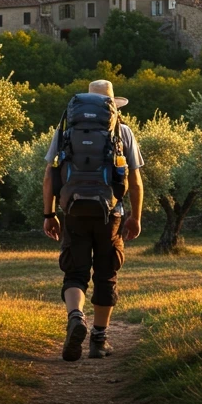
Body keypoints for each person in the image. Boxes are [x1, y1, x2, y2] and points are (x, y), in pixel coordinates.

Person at [42, 79, 144, 361]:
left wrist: (49, 214)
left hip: (73, 211)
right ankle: (99, 340)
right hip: (110, 214)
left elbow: (49, 175)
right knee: (105, 273)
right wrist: (135, 217)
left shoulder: (65, 131)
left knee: (75, 272)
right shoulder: (123, 132)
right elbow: (135, 181)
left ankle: (76, 316)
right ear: (113, 106)